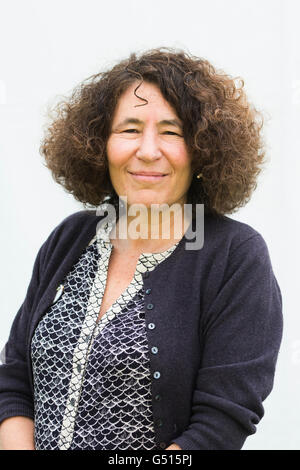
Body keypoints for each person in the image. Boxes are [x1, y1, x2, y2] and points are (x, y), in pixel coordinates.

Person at [0, 47, 283, 450]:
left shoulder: (236, 257)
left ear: (203, 150)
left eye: (172, 132)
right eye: (130, 129)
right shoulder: (70, 238)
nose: (148, 150)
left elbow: (219, 426)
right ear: (100, 145)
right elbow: (15, 380)